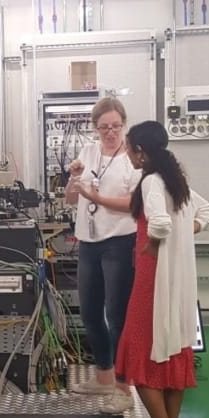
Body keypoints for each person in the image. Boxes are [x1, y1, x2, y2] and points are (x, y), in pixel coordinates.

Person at [103, 120, 209, 418]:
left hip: (153, 280)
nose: (129, 154)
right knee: (169, 356)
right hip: (178, 281)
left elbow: (161, 223)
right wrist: (185, 232)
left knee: (138, 353)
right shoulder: (176, 181)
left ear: (142, 152)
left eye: (131, 148)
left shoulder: (152, 181)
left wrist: (154, 242)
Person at [64, 97, 142, 396]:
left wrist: (97, 198)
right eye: (103, 127)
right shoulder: (88, 151)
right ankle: (104, 377)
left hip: (120, 243)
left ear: (124, 124)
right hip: (88, 242)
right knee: (90, 313)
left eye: (116, 126)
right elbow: (72, 199)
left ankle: (124, 386)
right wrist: (73, 180)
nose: (110, 133)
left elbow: (135, 205)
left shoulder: (132, 159)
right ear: (94, 128)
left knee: (118, 316)